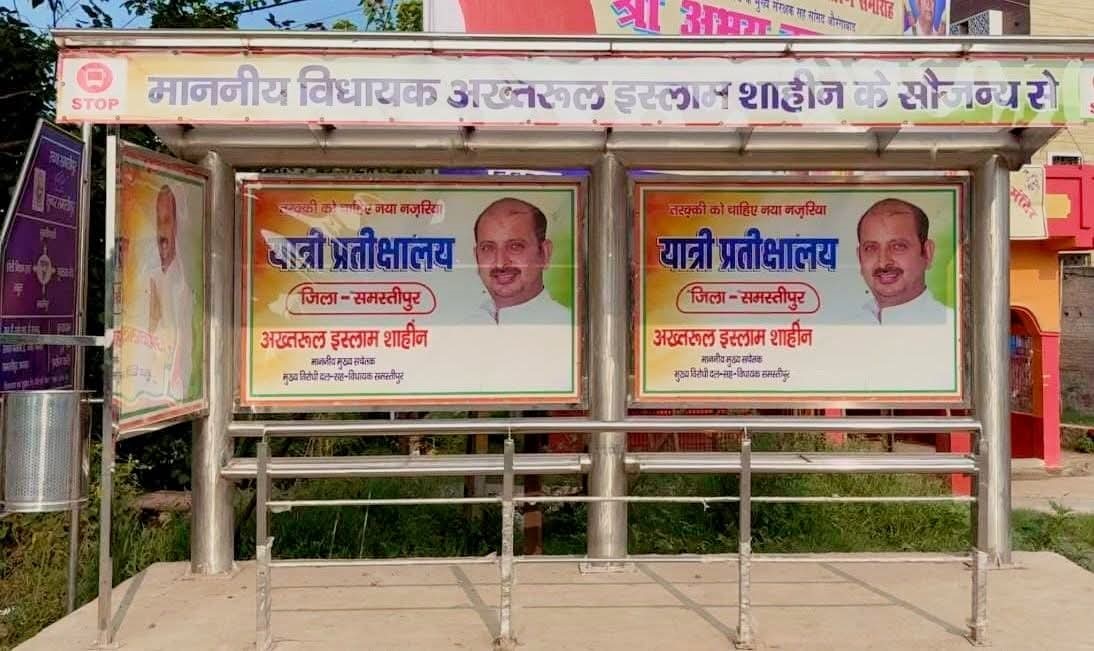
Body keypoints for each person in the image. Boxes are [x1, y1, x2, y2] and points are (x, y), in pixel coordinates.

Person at [470, 197, 570, 325]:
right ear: (477, 257)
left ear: (545, 253)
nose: (500, 263)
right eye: (488, 248)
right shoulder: (463, 329)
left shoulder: (569, 327)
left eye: (515, 246)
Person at [856, 197, 953, 325]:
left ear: (927, 253)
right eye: (871, 248)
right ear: (859, 258)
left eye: (898, 246)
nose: (883, 263)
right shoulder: (842, 328)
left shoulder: (954, 326)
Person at [148, 184, 194, 402]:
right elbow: (152, 323)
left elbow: (183, 335)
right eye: (159, 221)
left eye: (166, 220)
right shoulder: (154, 276)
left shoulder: (184, 280)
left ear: (177, 226)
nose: (161, 232)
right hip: (156, 376)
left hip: (176, 384)